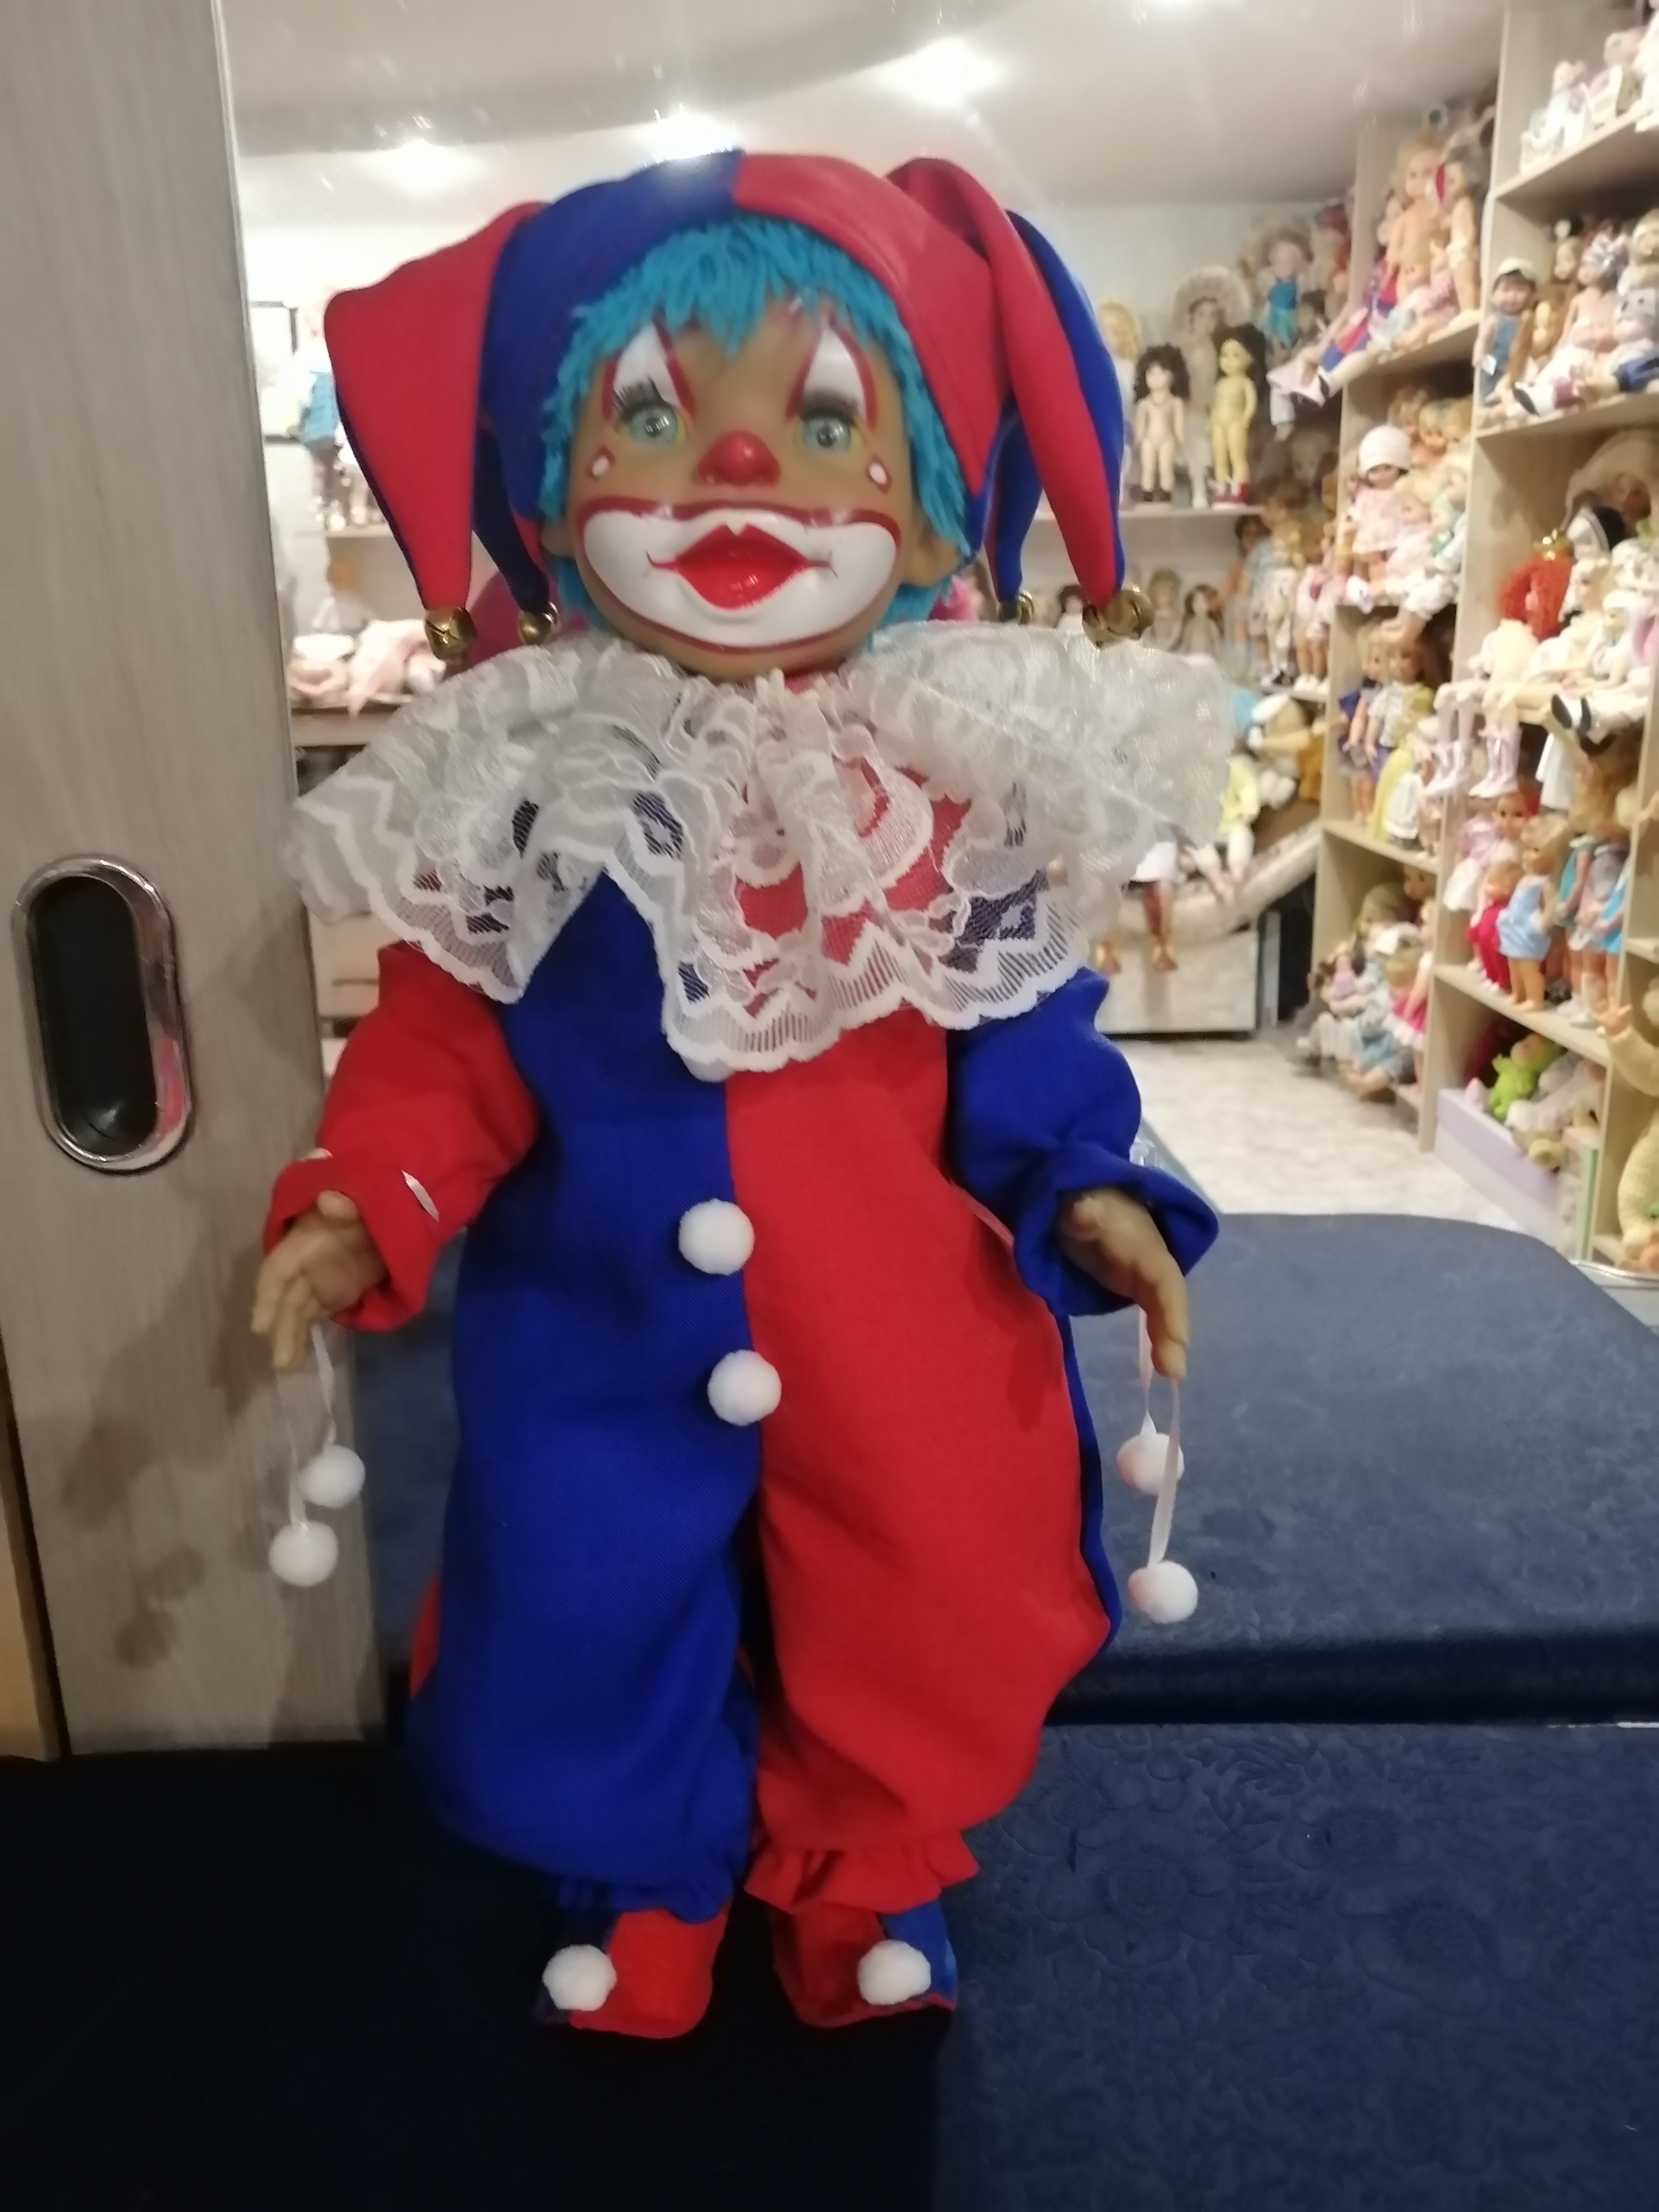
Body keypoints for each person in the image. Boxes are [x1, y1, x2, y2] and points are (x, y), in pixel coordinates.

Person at [251, 153, 1225, 2039]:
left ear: (929, 496)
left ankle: (864, 1872)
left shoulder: (936, 779)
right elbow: (453, 1033)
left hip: (899, 1327)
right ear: (552, 495)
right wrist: (373, 1187)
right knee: (587, 1596)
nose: (740, 471)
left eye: (828, 421)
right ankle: (646, 1872)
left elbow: (1019, 1018)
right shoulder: (545, 776)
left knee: (914, 1592)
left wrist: (1086, 1180)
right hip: (600, 1321)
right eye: (647, 416)